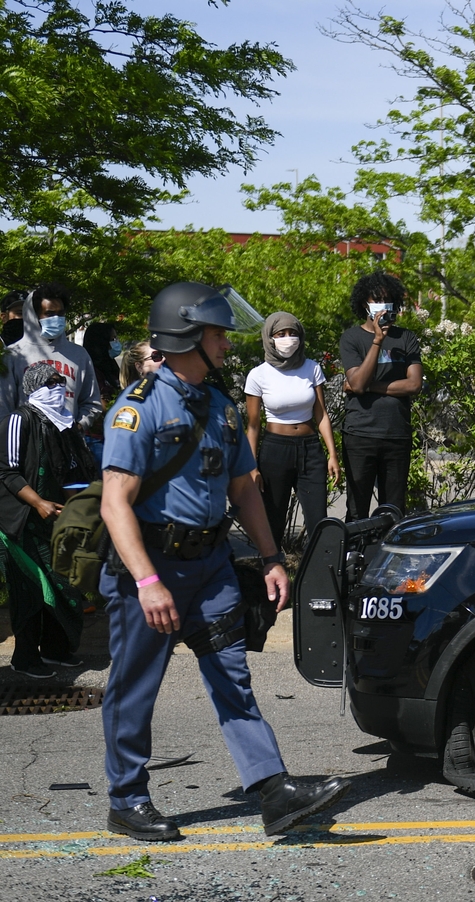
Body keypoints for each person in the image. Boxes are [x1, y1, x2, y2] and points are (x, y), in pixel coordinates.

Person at [99, 281, 351, 842]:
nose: (226, 342)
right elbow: (115, 504)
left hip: (211, 567)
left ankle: (271, 789)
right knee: (135, 687)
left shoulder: (220, 407)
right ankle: (127, 799)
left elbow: (245, 488)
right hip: (153, 569)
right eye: (217, 332)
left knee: (232, 679)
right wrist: (146, 581)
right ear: (186, 335)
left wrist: (270, 559)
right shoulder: (138, 409)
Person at [0, 363, 97, 678]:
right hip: (24, 522)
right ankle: (25, 659)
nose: (57, 388)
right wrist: (39, 502)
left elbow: (73, 470)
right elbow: (6, 471)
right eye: (50, 382)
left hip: (58, 521)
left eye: (60, 382)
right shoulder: (19, 420)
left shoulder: (64, 424)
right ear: (33, 387)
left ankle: (55, 650)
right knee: (29, 590)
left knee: (64, 585)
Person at [245, 312, 341, 550]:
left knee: (318, 519)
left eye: (293, 333)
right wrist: (252, 466)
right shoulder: (258, 375)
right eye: (281, 334)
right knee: (273, 520)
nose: (288, 339)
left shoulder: (311, 368)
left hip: (310, 449)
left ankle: (319, 578)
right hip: (276, 450)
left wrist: (332, 454)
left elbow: (321, 415)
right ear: (270, 338)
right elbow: (254, 425)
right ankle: (270, 575)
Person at [339, 272, 422, 521]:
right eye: (376, 299)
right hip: (360, 434)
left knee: (394, 508)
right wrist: (377, 341)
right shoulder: (352, 338)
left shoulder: (406, 338)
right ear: (364, 303)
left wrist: (367, 386)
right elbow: (358, 382)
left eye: (387, 299)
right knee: (357, 508)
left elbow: (414, 384)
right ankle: (355, 558)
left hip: (396, 433)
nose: (382, 304)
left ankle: (388, 558)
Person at [0, 282, 102, 430]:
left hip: (68, 447)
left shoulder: (79, 355)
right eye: (49, 314)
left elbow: (91, 402)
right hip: (28, 447)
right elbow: (4, 407)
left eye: (60, 313)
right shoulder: (13, 356)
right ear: (34, 315)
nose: (56, 318)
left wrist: (79, 426)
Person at [82, 322, 122, 468]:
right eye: (113, 339)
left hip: (111, 435)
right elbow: (101, 404)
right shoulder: (91, 369)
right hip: (95, 438)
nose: (116, 343)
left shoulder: (110, 366)